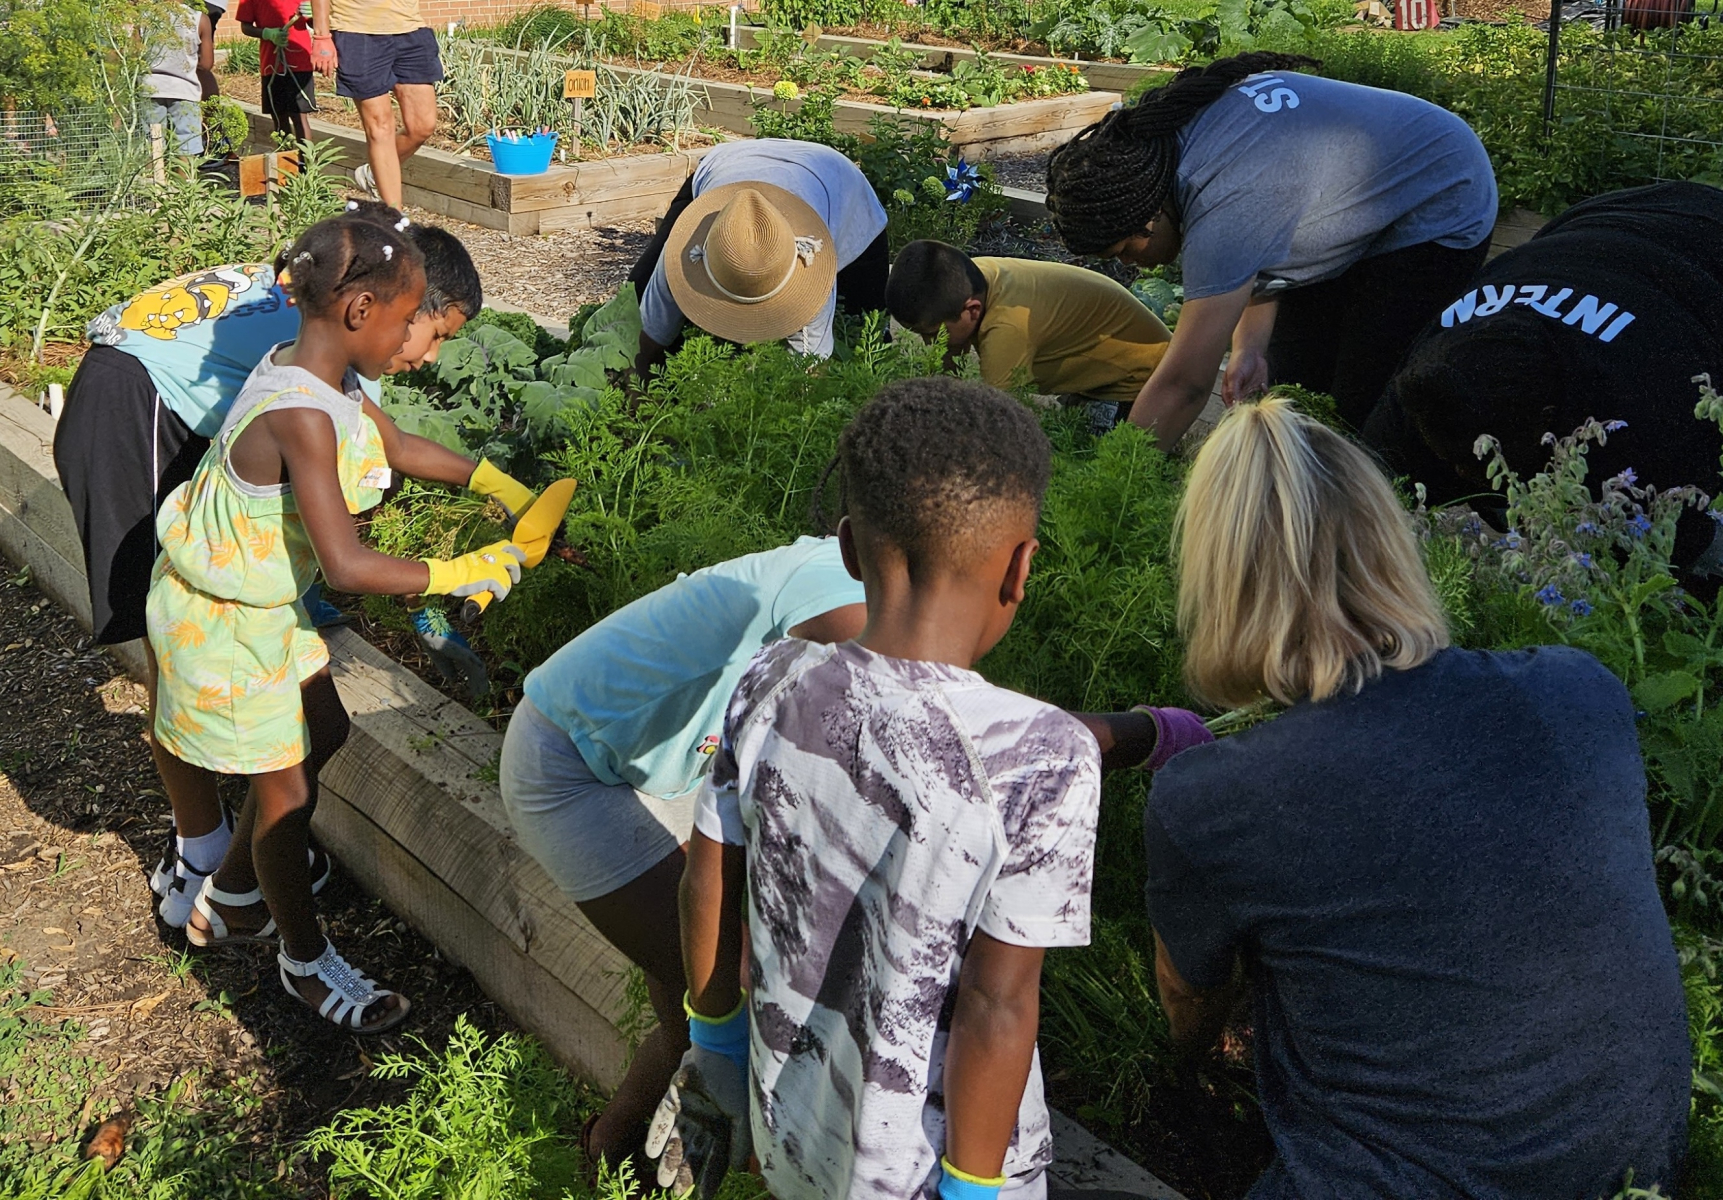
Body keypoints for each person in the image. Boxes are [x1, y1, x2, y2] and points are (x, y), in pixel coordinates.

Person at [646, 379, 1208, 1200]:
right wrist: (975, 1189)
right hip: (927, 1171)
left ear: (845, 549)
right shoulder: (1043, 757)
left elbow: (709, 874)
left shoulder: (771, 679)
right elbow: (997, 1000)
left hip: (792, 1130)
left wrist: (716, 1044)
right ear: (1020, 568)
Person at [1144, 394, 1691, 1196]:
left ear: (1218, 587)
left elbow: (1188, 1002)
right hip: (1630, 1174)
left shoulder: (1212, 798)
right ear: (1390, 544)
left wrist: (1195, 1063)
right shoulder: (1580, 692)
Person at [54, 204, 525, 930]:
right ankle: (201, 848)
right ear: (393, 308)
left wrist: (497, 483)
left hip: (189, 409)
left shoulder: (340, 320)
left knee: (211, 624)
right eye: (431, 334)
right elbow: (346, 534)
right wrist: (439, 574)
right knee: (169, 634)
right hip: (131, 395)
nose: (427, 356)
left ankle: (238, 860)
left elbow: (385, 448)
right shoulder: (325, 360)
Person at [498, 538, 870, 1171]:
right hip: (572, 765)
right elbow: (915, 720)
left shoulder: (854, 575)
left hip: (668, 770)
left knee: (700, 1000)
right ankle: (658, 1156)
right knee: (727, 995)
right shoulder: (839, 585)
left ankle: (611, 1150)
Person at [1044, 53, 1498, 446]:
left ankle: (1371, 513)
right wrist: (1249, 347)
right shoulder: (1171, 149)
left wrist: (1121, 481)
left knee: (1360, 411)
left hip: (1440, 199)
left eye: (1124, 248)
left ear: (1150, 213)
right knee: (1292, 392)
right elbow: (1264, 238)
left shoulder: (1222, 198)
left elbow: (1184, 384)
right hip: (1354, 193)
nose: (1128, 263)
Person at [1367, 181, 1723, 577]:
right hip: (1599, 221)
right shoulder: (1426, 380)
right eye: (1451, 459)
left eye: (1482, 461)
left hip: (1703, 250)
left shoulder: (1648, 406)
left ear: (1550, 417)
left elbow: (1677, 541)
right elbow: (1365, 495)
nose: (1465, 474)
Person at [629, 139, 890, 376]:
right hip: (730, 161)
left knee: (866, 326)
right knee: (637, 291)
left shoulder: (810, 261)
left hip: (838, 179)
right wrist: (638, 383)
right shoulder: (686, 252)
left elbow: (810, 366)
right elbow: (649, 332)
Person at [886, 240, 1171, 431]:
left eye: (932, 335)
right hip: (1102, 371)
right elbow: (947, 377)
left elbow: (999, 422)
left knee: (1087, 461)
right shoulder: (972, 279)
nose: (929, 345)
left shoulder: (1007, 330)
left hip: (1146, 380)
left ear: (971, 310)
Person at [307, 0, 441, 206]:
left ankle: (372, 174)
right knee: (380, 127)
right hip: (355, 31)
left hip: (410, 29)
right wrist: (322, 36)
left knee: (422, 126)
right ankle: (395, 221)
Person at [237, 0, 316, 142]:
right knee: (279, 119)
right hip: (271, 64)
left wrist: (314, 14)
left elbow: (315, 23)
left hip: (299, 62)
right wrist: (267, 33)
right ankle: (285, 163)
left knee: (299, 117)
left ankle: (307, 163)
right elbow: (245, 26)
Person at [146, 0, 215, 158]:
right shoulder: (199, 19)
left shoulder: (145, 16)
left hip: (150, 88)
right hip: (185, 89)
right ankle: (184, 182)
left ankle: (151, 180)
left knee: (151, 144)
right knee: (186, 145)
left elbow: (134, 52)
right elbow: (206, 64)